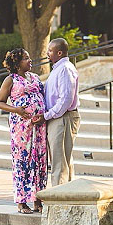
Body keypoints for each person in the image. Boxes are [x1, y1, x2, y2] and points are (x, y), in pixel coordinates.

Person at [0, 47, 48, 214]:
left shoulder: (35, 77)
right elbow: (0, 102)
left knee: (39, 161)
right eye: (26, 58)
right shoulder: (10, 80)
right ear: (17, 63)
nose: (30, 60)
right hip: (21, 128)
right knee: (22, 161)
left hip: (39, 127)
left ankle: (38, 200)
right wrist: (17, 110)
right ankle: (22, 202)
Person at [43, 37, 81, 187]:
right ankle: (68, 196)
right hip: (58, 117)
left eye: (50, 50)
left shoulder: (65, 69)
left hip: (63, 117)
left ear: (59, 52)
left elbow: (65, 99)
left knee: (59, 161)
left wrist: (47, 115)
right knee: (63, 159)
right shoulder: (58, 69)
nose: (47, 53)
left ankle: (58, 200)